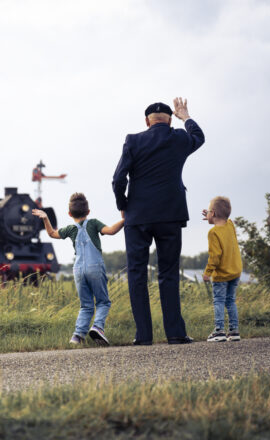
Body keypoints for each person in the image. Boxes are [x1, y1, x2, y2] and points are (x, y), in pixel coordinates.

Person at [112, 97, 205, 345]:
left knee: (137, 274)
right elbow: (199, 137)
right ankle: (175, 333)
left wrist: (123, 206)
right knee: (169, 273)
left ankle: (143, 336)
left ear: (146, 121)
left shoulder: (133, 140)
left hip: (138, 217)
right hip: (170, 215)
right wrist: (186, 117)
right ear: (171, 120)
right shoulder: (180, 138)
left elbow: (118, 179)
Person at [33, 193, 124, 345]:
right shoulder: (94, 223)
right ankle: (98, 327)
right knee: (103, 302)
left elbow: (51, 233)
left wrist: (45, 218)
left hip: (78, 270)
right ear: (88, 212)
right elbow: (111, 231)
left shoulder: (69, 229)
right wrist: (124, 219)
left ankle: (77, 336)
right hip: (95, 267)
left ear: (69, 214)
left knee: (86, 305)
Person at [202, 196, 243, 342]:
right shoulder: (230, 225)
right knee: (230, 300)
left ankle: (219, 331)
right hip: (235, 270)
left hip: (222, 274)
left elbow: (215, 256)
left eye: (208, 212)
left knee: (218, 300)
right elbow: (223, 218)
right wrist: (209, 215)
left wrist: (207, 273)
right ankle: (234, 331)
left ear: (212, 214)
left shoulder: (213, 233)